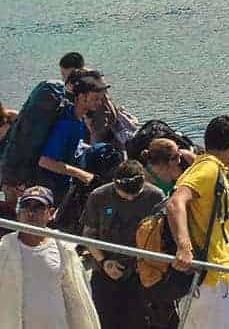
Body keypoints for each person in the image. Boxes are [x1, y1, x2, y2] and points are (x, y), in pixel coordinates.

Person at [167, 116, 229, 329]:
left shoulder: (201, 165)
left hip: (199, 281)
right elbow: (175, 202)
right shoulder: (209, 170)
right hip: (214, 277)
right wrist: (184, 247)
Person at [0, 186, 101, 329]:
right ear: (18, 213)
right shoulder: (4, 248)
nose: (31, 212)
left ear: (51, 213)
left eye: (38, 207)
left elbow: (78, 298)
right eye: (25, 206)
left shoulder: (64, 249)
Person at [81, 160, 164, 329]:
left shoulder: (155, 196)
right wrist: (104, 262)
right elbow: (88, 235)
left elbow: (161, 237)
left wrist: (147, 264)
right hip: (105, 269)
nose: (130, 197)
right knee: (101, 321)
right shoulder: (98, 196)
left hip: (141, 273)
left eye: (135, 194)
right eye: (124, 194)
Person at [37, 74, 109, 201]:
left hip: (63, 182)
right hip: (50, 185)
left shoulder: (79, 118)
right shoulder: (66, 123)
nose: (99, 103)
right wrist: (83, 175)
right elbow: (45, 161)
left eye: (101, 99)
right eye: (95, 99)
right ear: (81, 97)